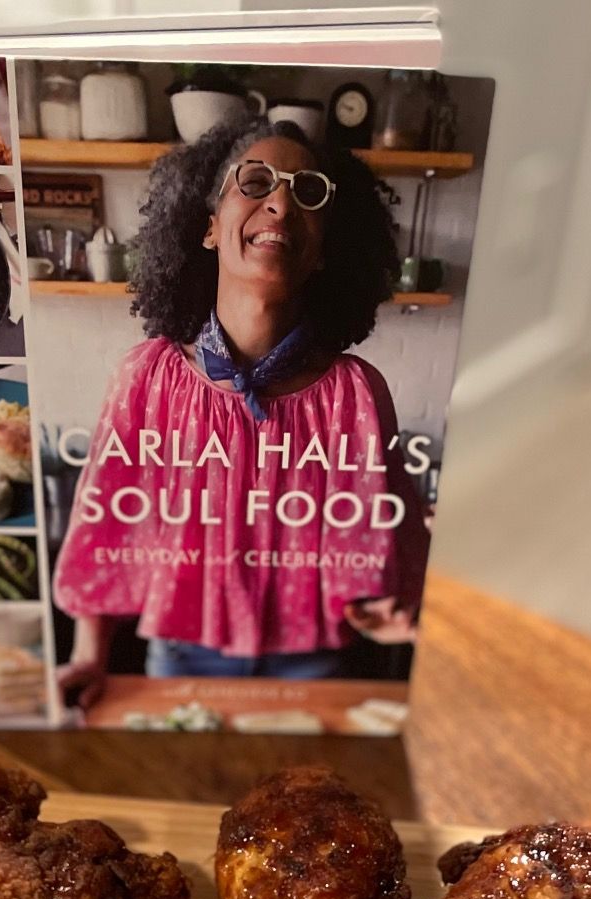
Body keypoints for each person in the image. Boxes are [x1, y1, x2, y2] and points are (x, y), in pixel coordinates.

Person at [53, 115, 430, 704]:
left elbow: (394, 539)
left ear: (325, 250)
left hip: (316, 661)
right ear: (208, 228)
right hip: (182, 651)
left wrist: (405, 604)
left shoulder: (356, 393)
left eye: (308, 192)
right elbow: (107, 526)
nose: (281, 202)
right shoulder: (146, 377)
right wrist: (89, 659)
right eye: (256, 182)